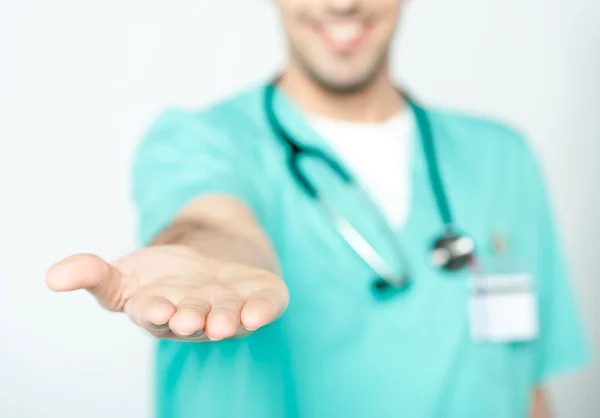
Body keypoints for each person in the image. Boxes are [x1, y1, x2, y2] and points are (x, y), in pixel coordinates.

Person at [45, 0, 588, 417]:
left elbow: (527, 384)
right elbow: (213, 221)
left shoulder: (502, 158)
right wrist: (210, 252)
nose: (342, 4)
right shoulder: (201, 141)